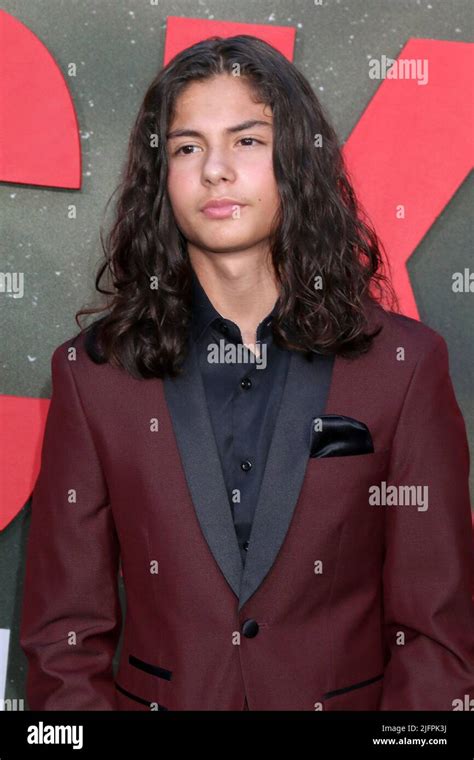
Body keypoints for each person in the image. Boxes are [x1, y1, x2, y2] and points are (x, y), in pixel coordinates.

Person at [19, 35, 473, 711]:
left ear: (295, 159)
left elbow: (435, 639)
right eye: (187, 147)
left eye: (247, 141)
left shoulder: (402, 368)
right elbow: (63, 640)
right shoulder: (95, 377)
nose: (215, 171)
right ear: (160, 176)